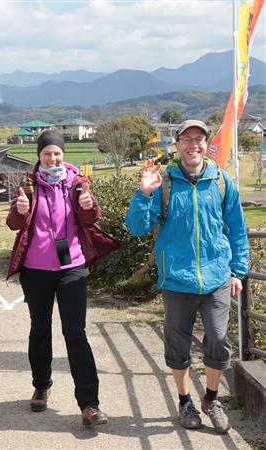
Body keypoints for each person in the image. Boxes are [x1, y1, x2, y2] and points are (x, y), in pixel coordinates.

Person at [125, 120, 249, 434]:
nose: (193, 144)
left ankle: (210, 398)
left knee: (219, 340)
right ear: (177, 145)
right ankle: (185, 402)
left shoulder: (221, 181)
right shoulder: (164, 182)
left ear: (206, 145)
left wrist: (238, 271)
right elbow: (137, 227)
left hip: (217, 276)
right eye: (187, 139)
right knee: (177, 347)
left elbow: (237, 229)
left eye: (199, 139)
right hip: (177, 280)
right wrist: (144, 194)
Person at [6, 129, 119, 427]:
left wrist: (89, 205)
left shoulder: (77, 183)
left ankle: (89, 404)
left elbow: (91, 219)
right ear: (39, 156)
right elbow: (13, 224)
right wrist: (19, 211)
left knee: (75, 332)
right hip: (36, 271)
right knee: (40, 328)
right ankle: (41, 385)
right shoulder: (28, 186)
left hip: (72, 269)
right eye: (46, 153)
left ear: (63, 155)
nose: (52, 158)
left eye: (57, 153)